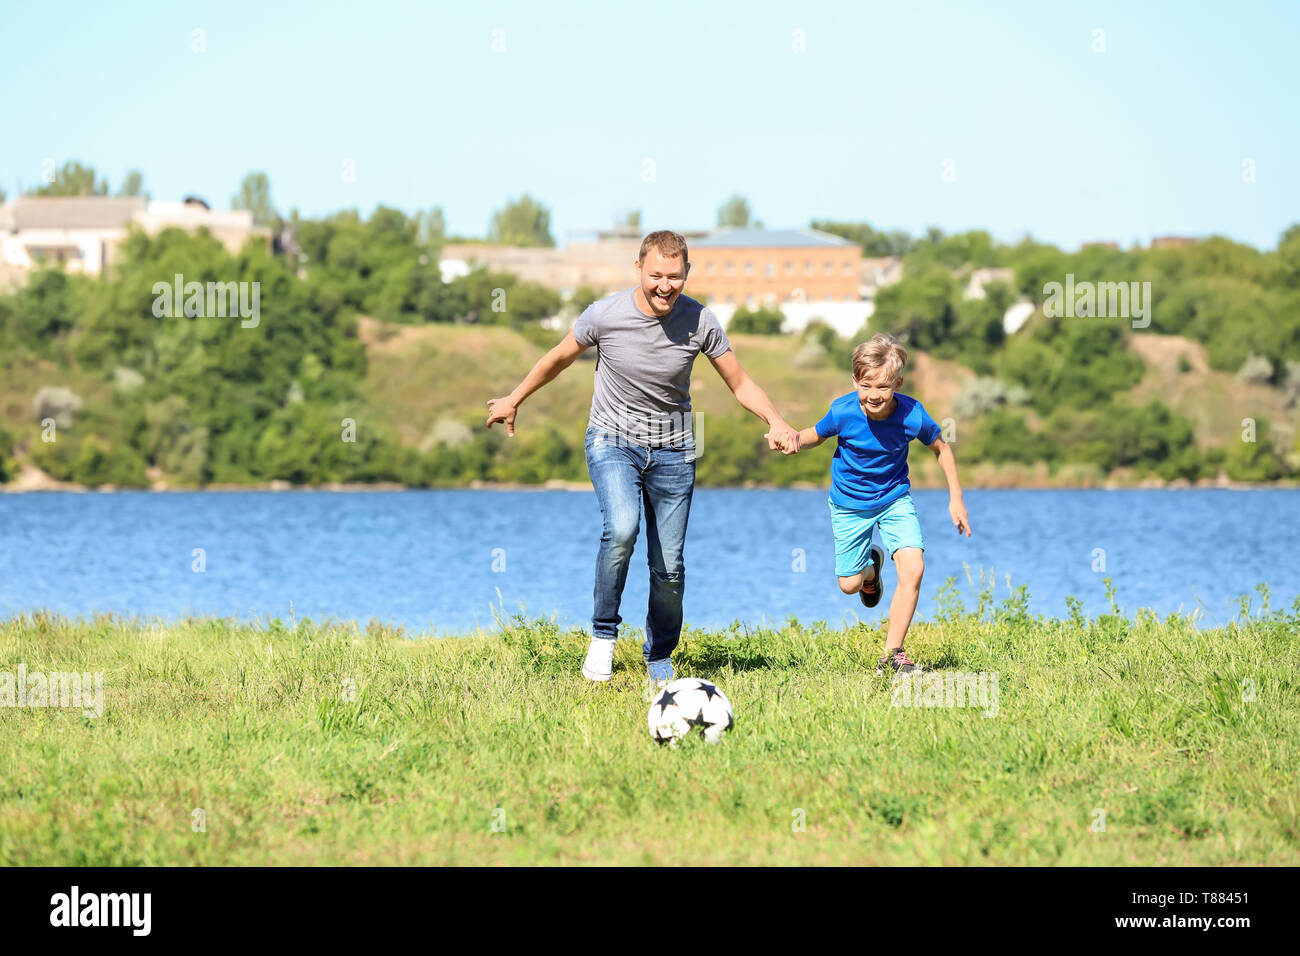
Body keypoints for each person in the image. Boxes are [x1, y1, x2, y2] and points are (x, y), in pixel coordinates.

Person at [486, 230, 798, 688]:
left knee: (669, 566)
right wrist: (515, 397)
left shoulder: (701, 321)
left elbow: (740, 382)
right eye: (656, 275)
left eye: (675, 276)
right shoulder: (606, 315)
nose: (665, 285)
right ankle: (603, 636)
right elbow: (557, 357)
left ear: (687, 273)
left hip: (675, 451)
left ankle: (659, 657)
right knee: (623, 529)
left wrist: (776, 420)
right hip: (613, 442)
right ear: (638, 269)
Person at [776, 333, 971, 676]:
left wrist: (955, 498)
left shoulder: (912, 414)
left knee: (914, 569)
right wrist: (793, 440)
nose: (874, 395)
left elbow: (942, 448)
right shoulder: (844, 410)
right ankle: (870, 568)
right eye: (866, 386)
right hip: (849, 504)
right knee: (849, 585)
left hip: (895, 499)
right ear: (855, 381)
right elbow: (815, 435)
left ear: (898, 382)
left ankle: (893, 654)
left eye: (883, 387)